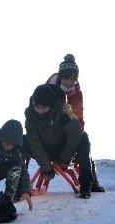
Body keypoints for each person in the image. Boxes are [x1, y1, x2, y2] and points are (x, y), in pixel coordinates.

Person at [45, 54, 104, 192]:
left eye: (72, 79)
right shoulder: (48, 90)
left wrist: (79, 134)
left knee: (84, 141)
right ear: (60, 78)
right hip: (50, 133)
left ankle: (89, 182)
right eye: (66, 79)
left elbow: (79, 116)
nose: (69, 83)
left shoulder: (76, 93)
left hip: (69, 131)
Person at [24, 84, 93, 199]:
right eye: (37, 107)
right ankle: (21, 185)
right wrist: (46, 167)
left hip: (63, 149)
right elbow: (34, 142)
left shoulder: (64, 112)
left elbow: (75, 134)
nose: (40, 111)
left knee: (83, 138)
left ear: (51, 105)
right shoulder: (31, 116)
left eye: (44, 108)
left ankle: (86, 184)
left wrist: (63, 160)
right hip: (46, 149)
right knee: (23, 141)